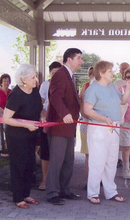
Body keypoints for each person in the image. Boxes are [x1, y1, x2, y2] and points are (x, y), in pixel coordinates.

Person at [84, 60, 130, 204]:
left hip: (114, 127)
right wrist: (103, 118)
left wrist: (129, 89)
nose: (113, 73)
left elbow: (122, 101)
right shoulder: (92, 88)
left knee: (111, 161)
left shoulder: (112, 86)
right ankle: (93, 193)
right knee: (97, 161)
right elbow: (87, 110)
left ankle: (110, 191)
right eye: (110, 71)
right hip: (99, 128)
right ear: (101, 73)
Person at [3, 64, 44, 209]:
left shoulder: (34, 91)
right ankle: (18, 197)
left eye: (36, 76)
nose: (36, 79)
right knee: (18, 166)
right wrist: (26, 125)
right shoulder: (16, 94)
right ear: (23, 79)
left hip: (31, 135)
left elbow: (40, 109)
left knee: (29, 165)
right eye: (33, 77)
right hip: (16, 136)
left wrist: (42, 116)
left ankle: (26, 194)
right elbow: (6, 119)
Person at [44, 48, 82, 205]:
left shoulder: (70, 76)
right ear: (69, 60)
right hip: (59, 127)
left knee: (68, 160)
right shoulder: (60, 74)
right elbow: (55, 97)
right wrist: (65, 113)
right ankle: (52, 193)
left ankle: (64, 190)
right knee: (57, 161)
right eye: (78, 58)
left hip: (69, 127)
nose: (81, 61)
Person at [38, 61, 62, 191]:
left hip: (59, 123)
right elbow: (40, 104)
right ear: (49, 73)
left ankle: (56, 180)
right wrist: (44, 115)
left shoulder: (64, 84)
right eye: (53, 73)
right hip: (46, 122)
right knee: (45, 151)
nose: (55, 75)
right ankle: (45, 179)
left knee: (58, 152)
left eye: (58, 73)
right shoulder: (44, 85)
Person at [79, 66, 94, 189]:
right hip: (86, 123)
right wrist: (88, 116)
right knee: (88, 154)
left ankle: (99, 179)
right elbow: (82, 103)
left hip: (99, 124)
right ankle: (89, 180)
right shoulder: (85, 86)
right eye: (92, 74)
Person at [114, 62, 129, 168]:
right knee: (116, 140)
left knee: (127, 144)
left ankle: (127, 165)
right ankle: (117, 159)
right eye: (122, 69)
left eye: (126, 68)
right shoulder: (115, 83)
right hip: (118, 116)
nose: (124, 71)